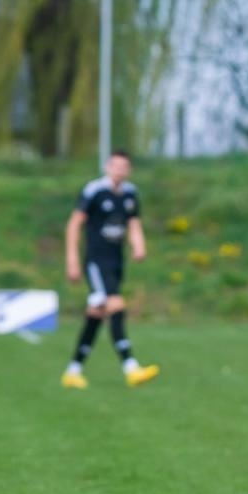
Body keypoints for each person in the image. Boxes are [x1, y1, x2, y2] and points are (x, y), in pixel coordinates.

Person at [62, 150, 158, 389]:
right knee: (115, 305)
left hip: (116, 261)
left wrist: (139, 245)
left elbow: (133, 222)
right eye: (115, 165)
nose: (119, 170)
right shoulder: (94, 191)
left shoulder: (130, 193)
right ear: (107, 167)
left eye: (124, 167)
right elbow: (74, 224)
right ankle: (131, 367)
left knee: (96, 313)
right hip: (96, 261)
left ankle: (73, 371)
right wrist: (72, 260)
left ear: (129, 170)